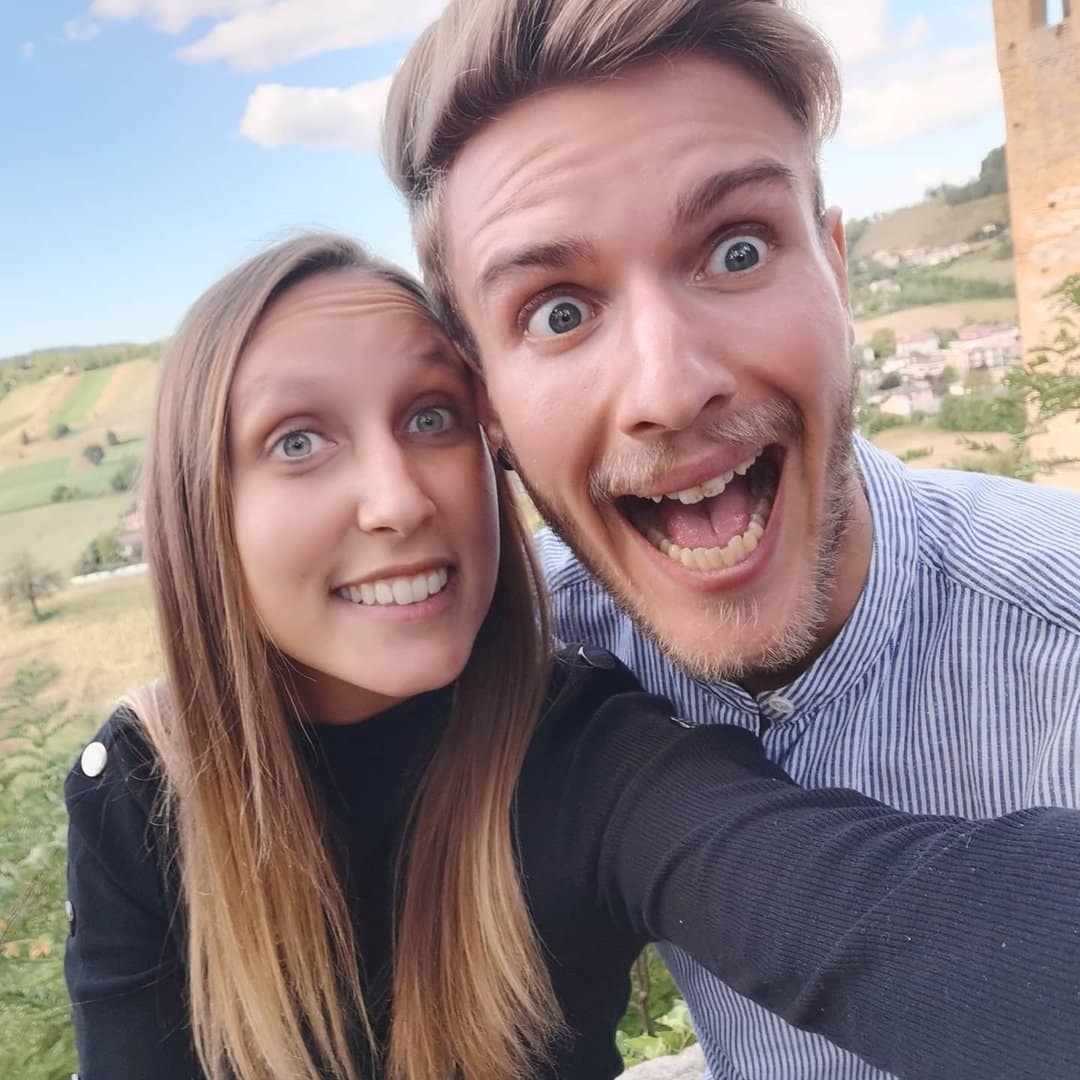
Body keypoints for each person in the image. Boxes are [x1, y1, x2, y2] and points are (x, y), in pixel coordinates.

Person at [65, 234, 1080, 1080]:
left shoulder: (578, 746)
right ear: (201, 514)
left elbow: (873, 920)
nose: (401, 499)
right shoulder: (146, 792)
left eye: (432, 419)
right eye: (297, 442)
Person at [383, 2, 1080, 1078]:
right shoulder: (512, 682)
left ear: (839, 273)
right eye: (558, 313)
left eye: (736, 249)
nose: (668, 386)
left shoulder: (1061, 628)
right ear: (489, 408)